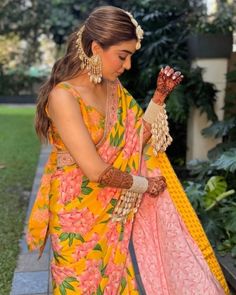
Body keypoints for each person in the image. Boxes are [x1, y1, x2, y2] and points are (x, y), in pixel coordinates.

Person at [26, 6, 229, 295]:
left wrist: (160, 97)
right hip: (76, 213)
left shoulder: (113, 88)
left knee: (116, 282)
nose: (128, 65)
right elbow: (95, 170)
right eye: (123, 55)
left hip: (112, 210)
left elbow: (137, 139)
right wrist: (146, 184)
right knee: (77, 285)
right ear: (96, 47)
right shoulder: (63, 96)